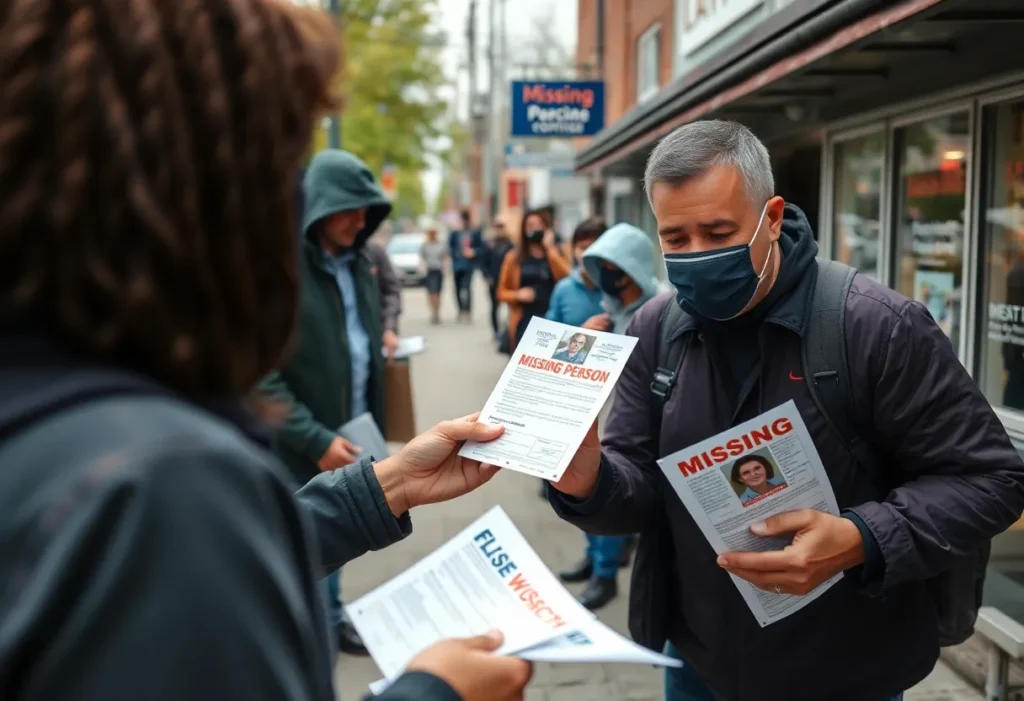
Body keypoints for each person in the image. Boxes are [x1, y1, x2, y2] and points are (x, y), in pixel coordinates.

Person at [0, 3, 532, 701]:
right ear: (216, 191)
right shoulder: (165, 481)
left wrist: (383, 488)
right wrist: (435, 692)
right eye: (284, 158)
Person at [546, 120, 1024, 701]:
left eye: (718, 231)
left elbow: (991, 478)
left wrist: (862, 538)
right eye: (676, 239)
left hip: (845, 670)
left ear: (772, 217)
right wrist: (586, 481)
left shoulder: (875, 327)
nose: (696, 255)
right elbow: (638, 487)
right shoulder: (656, 327)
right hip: (698, 665)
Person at [259, 148, 392, 656]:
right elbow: (261, 377)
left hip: (352, 431)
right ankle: (308, 638)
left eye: (368, 210)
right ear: (319, 206)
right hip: (302, 444)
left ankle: (331, 621)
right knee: (305, 542)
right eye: (349, 209)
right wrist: (315, 440)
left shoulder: (360, 264)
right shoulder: (283, 271)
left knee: (336, 537)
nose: (361, 221)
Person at [557, 222, 661, 611]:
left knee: (611, 491)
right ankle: (593, 558)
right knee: (579, 490)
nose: (610, 278)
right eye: (602, 269)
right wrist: (582, 336)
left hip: (631, 425)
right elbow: (562, 362)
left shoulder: (659, 309)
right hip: (590, 415)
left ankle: (606, 575)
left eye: (616, 268)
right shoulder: (604, 312)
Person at [497, 209, 571, 350]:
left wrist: (550, 250)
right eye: (530, 226)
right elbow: (501, 292)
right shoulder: (514, 258)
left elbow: (568, 277)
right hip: (526, 319)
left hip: (554, 319)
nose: (535, 229)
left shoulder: (558, 252)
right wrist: (518, 295)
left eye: (539, 225)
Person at [546, 217, 605, 330]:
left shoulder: (617, 288)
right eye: (583, 248)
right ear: (573, 250)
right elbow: (548, 337)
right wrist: (583, 331)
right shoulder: (562, 289)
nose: (588, 253)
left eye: (594, 246)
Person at [366, 240, 402, 358]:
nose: (359, 224)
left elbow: (391, 291)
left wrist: (389, 328)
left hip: (376, 341)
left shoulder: (373, 252)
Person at [483, 219, 516, 340]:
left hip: (508, 281)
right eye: (497, 228)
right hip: (494, 280)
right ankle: (496, 332)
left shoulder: (510, 245)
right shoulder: (489, 245)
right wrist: (487, 277)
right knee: (494, 307)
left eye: (501, 228)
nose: (499, 231)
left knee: (510, 307)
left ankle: (508, 331)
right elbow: (484, 263)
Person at [449, 209, 483, 322]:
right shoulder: (455, 233)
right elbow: (450, 247)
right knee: (457, 288)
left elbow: (481, 248)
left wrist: (474, 252)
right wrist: (454, 254)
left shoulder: (474, 232)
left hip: (469, 265)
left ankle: (468, 311)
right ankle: (461, 310)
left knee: (467, 288)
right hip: (457, 264)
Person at [421, 224, 448, 325]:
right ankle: (433, 311)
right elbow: (422, 258)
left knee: (437, 292)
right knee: (431, 292)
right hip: (429, 271)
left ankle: (437, 311)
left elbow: (445, 257)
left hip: (438, 270)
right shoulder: (425, 245)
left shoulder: (440, 245)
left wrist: (445, 269)